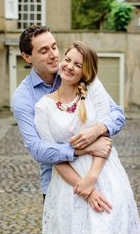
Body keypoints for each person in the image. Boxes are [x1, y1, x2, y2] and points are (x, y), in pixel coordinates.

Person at [33, 41, 140, 234]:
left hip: (104, 175)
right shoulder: (43, 107)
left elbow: (105, 140)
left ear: (85, 72)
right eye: (67, 60)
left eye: (77, 64)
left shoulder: (93, 90)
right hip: (68, 185)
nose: (69, 66)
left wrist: (92, 178)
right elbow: (53, 156)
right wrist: (87, 189)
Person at [11, 25, 121, 217]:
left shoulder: (77, 74)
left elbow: (116, 115)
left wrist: (96, 130)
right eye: (44, 51)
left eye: (54, 47)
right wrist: (85, 149)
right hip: (58, 183)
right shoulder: (23, 98)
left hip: (101, 174)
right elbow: (38, 149)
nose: (54, 55)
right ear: (27, 57)